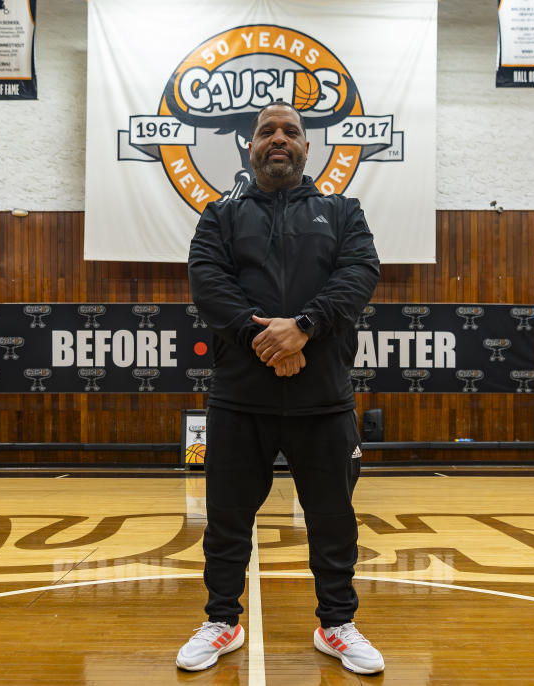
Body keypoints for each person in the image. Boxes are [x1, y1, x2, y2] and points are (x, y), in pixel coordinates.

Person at [178, 100, 382, 675]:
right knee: (226, 518)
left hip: (324, 399)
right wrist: (266, 339)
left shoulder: (343, 211)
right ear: (250, 145)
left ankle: (336, 624)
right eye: (267, 131)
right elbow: (208, 283)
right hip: (242, 398)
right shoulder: (219, 215)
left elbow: (360, 274)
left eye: (290, 131)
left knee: (333, 518)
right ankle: (222, 620)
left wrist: (305, 327)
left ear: (306, 147)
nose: (279, 138)